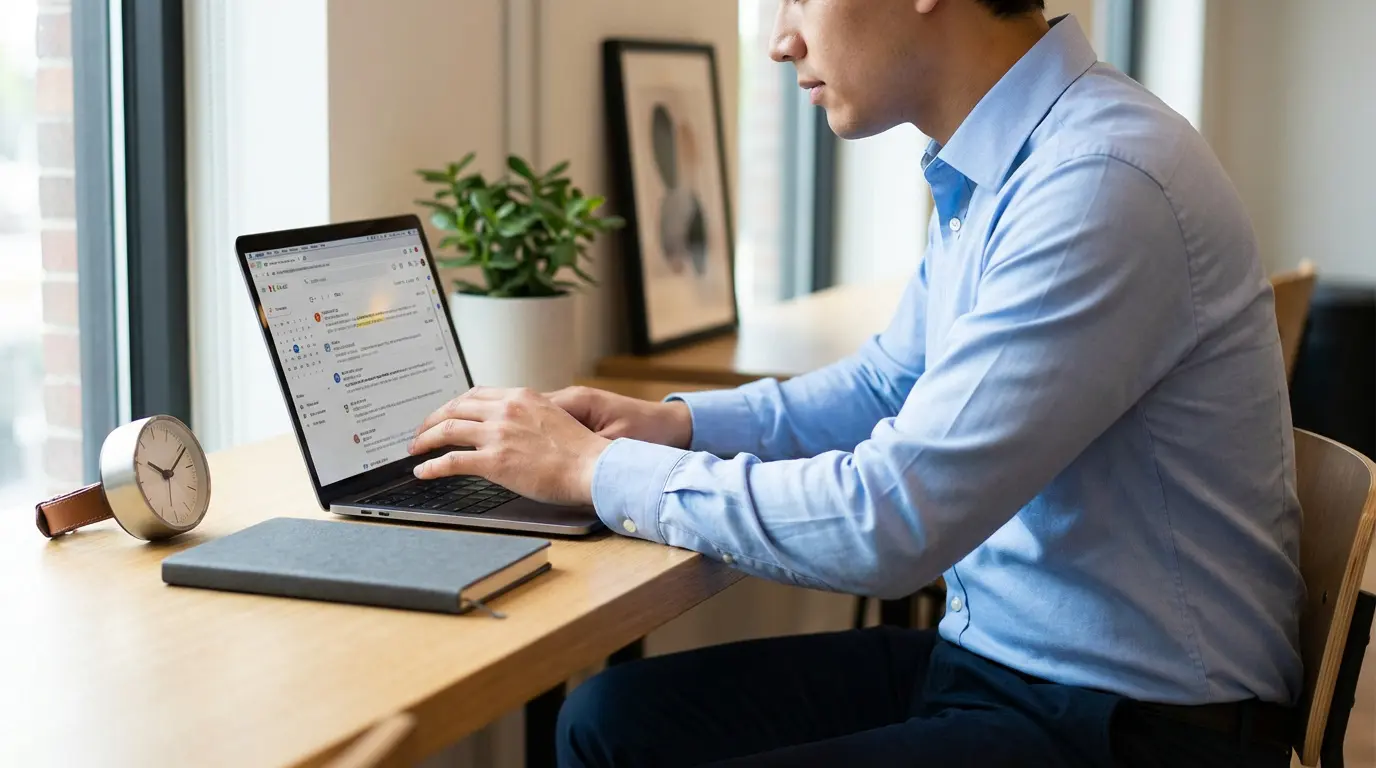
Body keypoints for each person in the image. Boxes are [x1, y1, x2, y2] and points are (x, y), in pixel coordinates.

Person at [407, 0, 1303, 765]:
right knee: (609, 723)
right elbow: (888, 386)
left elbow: (893, 518)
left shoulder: (1100, 180)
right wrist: (672, 426)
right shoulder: (1005, 163)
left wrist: (594, 473)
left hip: (1138, 725)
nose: (780, 38)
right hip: (999, 663)